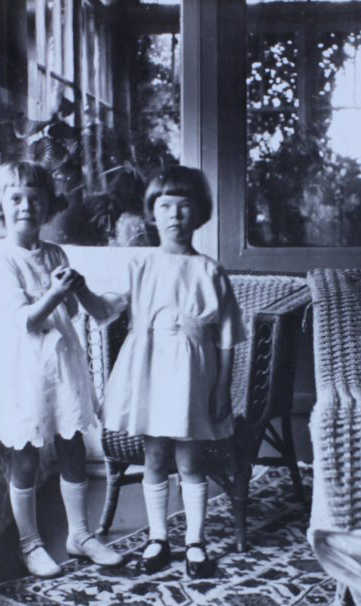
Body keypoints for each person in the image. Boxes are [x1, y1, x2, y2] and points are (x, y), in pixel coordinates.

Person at [74, 165, 246, 578]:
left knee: (190, 458)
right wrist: (79, 288)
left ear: (199, 214)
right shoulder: (140, 266)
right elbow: (103, 311)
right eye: (165, 206)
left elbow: (225, 338)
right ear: (153, 212)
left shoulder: (210, 271)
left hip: (191, 377)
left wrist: (222, 388)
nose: (174, 216)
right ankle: (158, 537)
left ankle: (196, 542)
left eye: (184, 207)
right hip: (150, 373)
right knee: (154, 455)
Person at [0, 161, 123, 577]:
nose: (27, 206)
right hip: (22, 368)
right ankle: (30, 543)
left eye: (36, 198)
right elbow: (26, 320)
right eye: (17, 198)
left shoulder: (56, 252)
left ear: (49, 205)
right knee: (26, 456)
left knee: (72, 445)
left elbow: (73, 311)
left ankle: (79, 534)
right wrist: (57, 291)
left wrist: (74, 288)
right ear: (0, 205)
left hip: (59, 364)